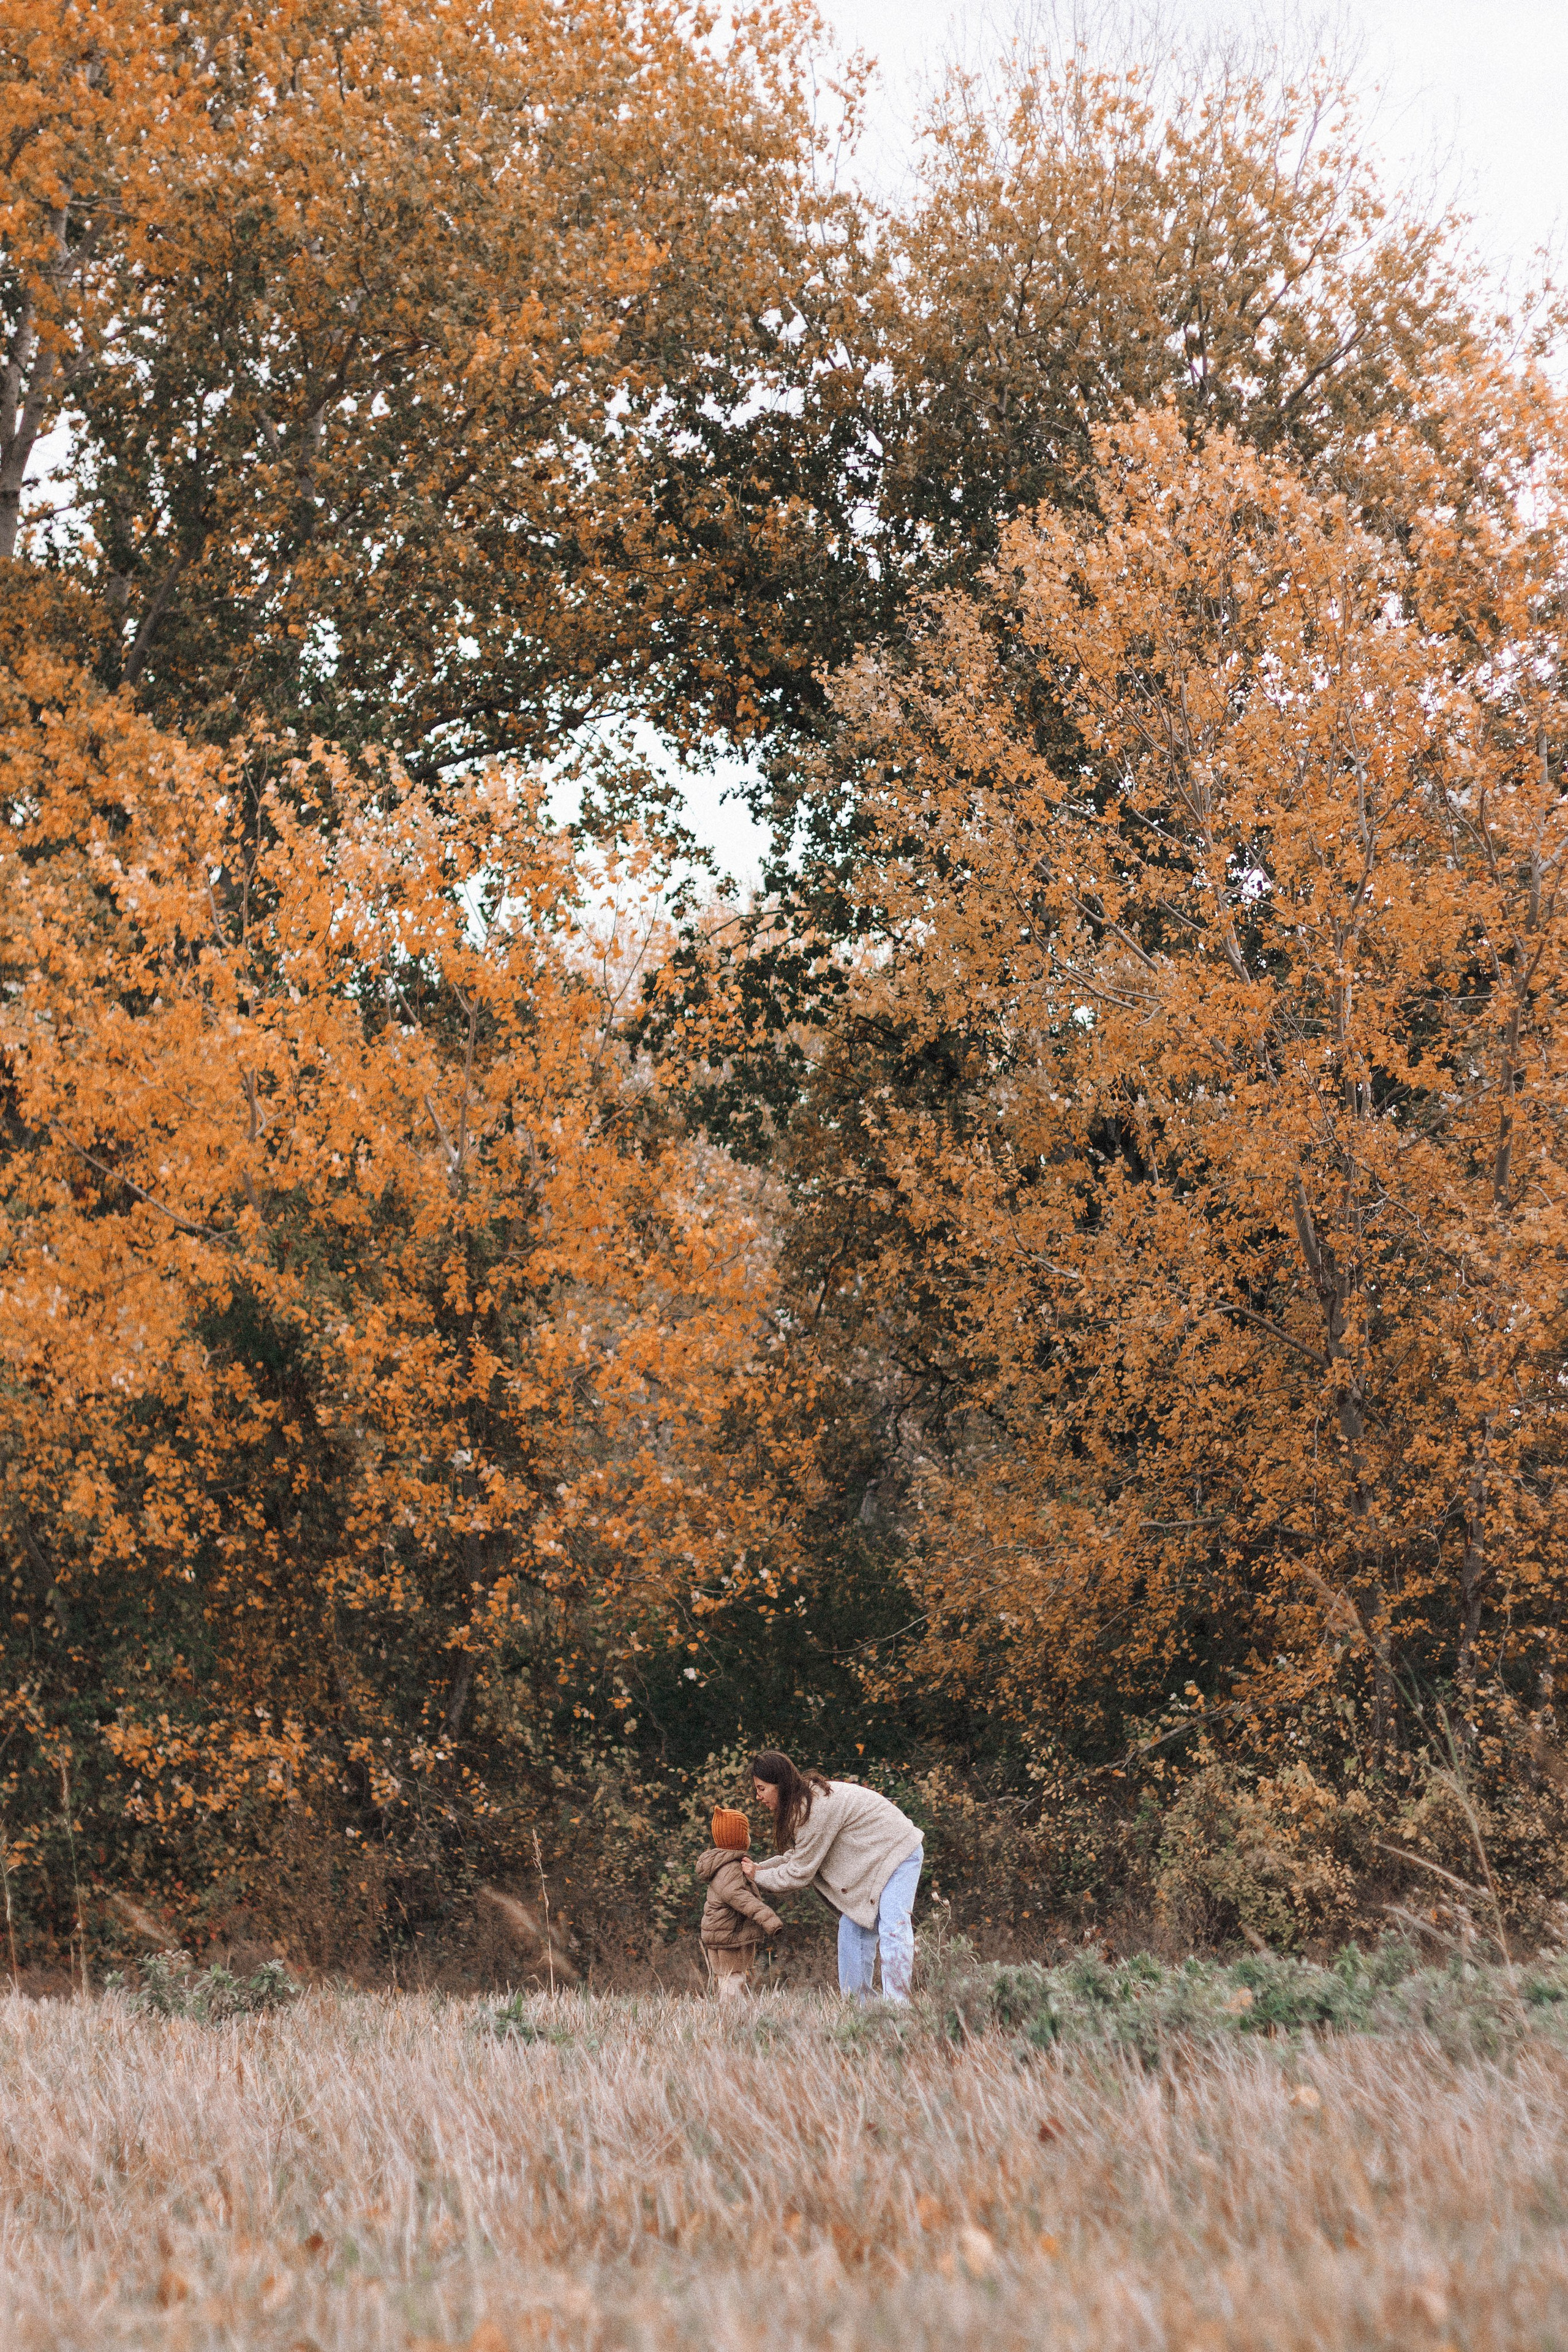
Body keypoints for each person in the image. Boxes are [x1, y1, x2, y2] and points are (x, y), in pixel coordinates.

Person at [741, 1751, 923, 2002]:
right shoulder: (803, 1805)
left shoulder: (814, 1809)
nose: (758, 1796)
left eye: (762, 1788)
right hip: (873, 1863)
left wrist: (757, 1876)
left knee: (894, 1927)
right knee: (851, 1930)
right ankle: (861, 2011)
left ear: (780, 1784)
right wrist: (760, 1870)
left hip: (899, 1852)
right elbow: (799, 1856)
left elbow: (800, 1872)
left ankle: (900, 2009)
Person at [695, 1804, 783, 1998]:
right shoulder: (730, 1869)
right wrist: (769, 1920)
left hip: (724, 1933)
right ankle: (731, 2019)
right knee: (732, 1979)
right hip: (728, 1936)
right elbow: (741, 1899)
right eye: (746, 1833)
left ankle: (735, 2016)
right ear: (739, 1839)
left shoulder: (726, 1864)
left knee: (732, 1978)